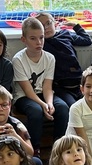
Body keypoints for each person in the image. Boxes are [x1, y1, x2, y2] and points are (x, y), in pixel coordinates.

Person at [13, 17, 69, 153]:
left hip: (43, 94)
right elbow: (27, 90)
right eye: (33, 38)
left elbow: (47, 86)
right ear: (24, 40)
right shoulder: (18, 59)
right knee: (36, 111)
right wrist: (43, 105)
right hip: (24, 97)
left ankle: (59, 147)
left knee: (62, 107)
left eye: (41, 37)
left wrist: (49, 103)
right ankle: (34, 149)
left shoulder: (50, 58)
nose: (39, 42)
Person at [38, 12, 92, 107]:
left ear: (55, 23)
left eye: (48, 23)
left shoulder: (65, 34)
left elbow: (87, 40)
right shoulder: (40, 43)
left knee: (91, 104)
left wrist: (76, 26)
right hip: (61, 86)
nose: (46, 28)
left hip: (78, 81)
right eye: (41, 26)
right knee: (74, 107)